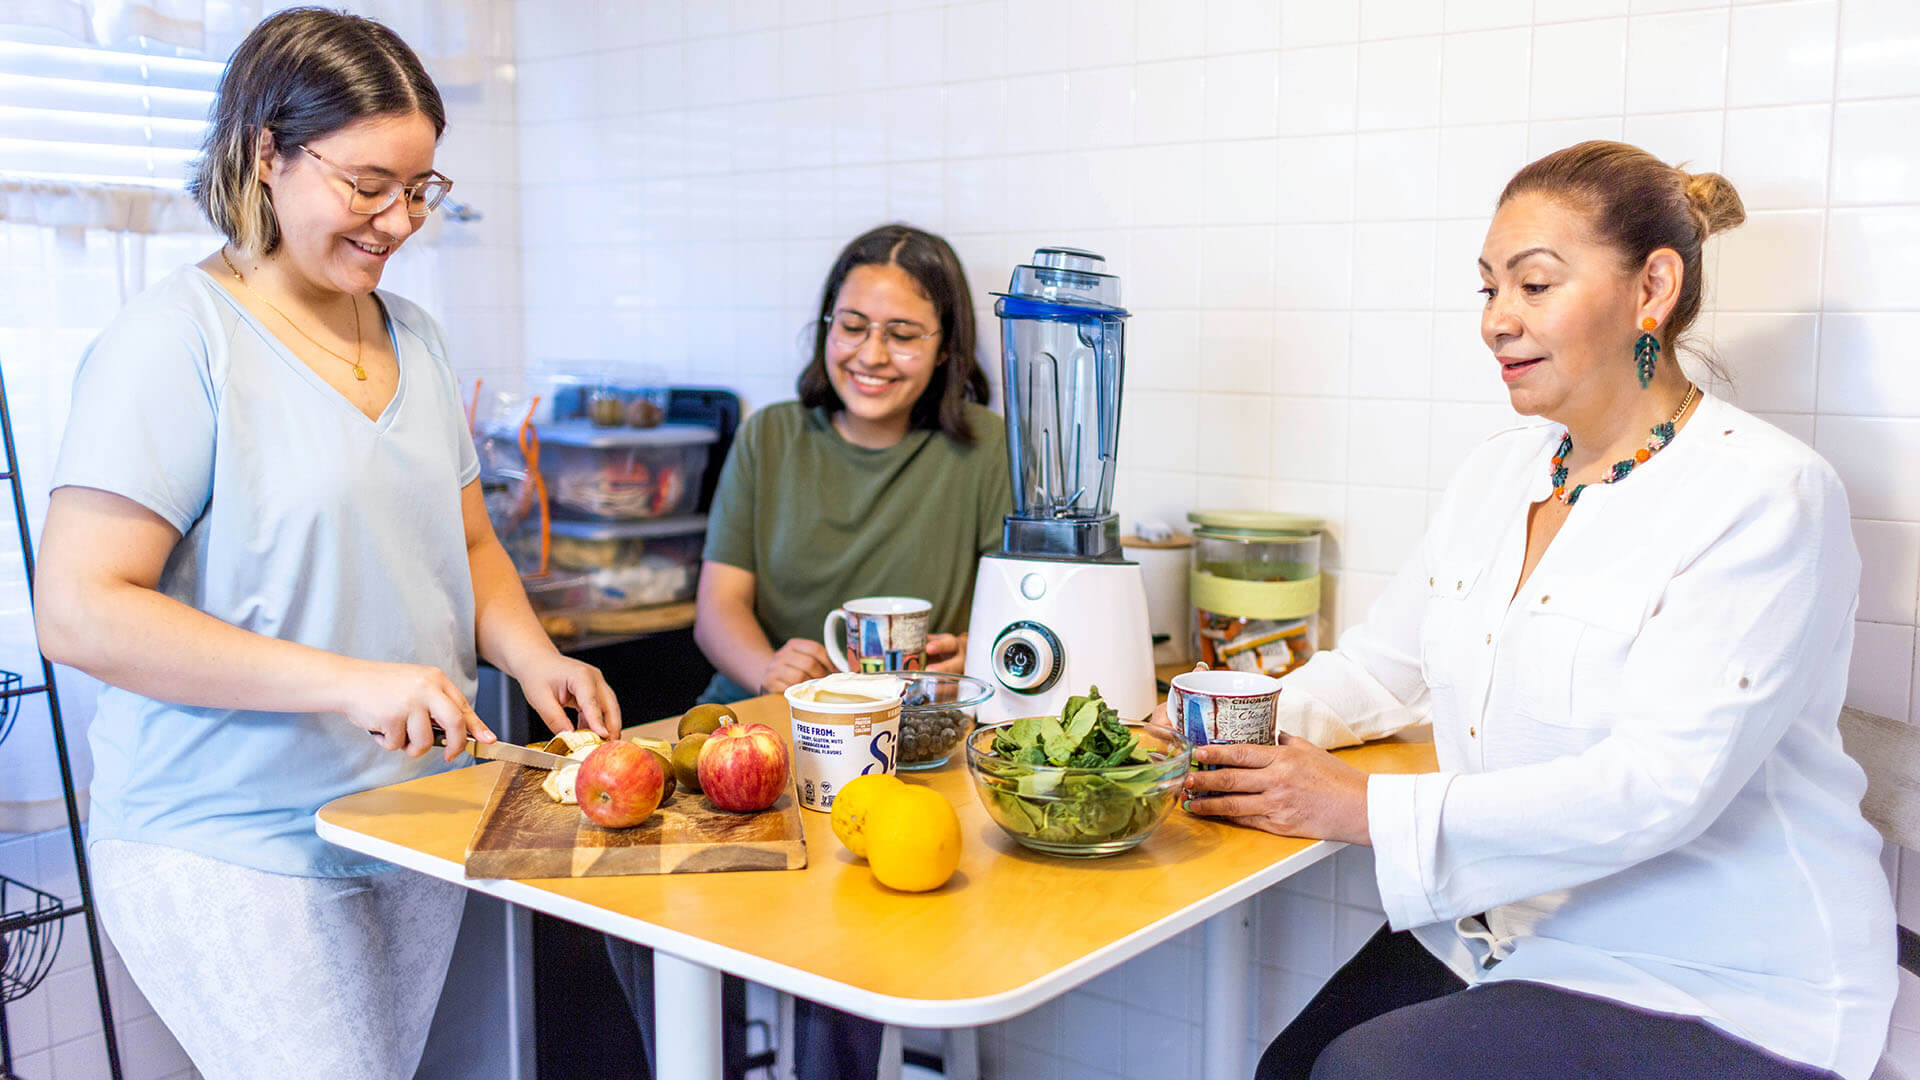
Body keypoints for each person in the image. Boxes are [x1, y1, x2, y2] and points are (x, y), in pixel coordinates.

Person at [1174, 142, 1894, 1080]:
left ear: (1654, 287)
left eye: (1535, 285)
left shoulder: (1767, 494)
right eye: (1488, 291)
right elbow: (1381, 672)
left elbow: (1658, 787)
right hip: (1511, 928)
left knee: (1364, 1073)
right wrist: (1213, 730)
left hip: (1714, 970)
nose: (1497, 322)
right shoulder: (1497, 475)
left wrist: (1362, 807)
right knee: (1293, 1068)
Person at [32, 10, 619, 1079]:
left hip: (402, 818)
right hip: (222, 836)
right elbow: (79, 610)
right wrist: (349, 683)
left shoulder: (417, 339)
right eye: (367, 185)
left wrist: (534, 657)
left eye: (419, 189)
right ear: (266, 152)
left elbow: (471, 545)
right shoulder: (175, 342)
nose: (398, 220)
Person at [606, 223, 1011, 1079]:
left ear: (946, 350)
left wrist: (973, 648)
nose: (871, 354)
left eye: (903, 335)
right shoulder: (771, 438)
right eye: (851, 325)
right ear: (825, 327)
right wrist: (765, 669)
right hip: (746, 727)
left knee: (843, 921)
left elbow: (1020, 623)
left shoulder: (984, 449)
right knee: (633, 899)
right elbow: (720, 609)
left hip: (893, 752)